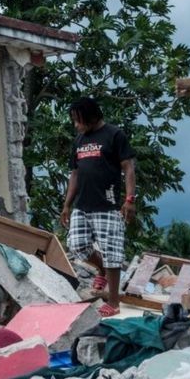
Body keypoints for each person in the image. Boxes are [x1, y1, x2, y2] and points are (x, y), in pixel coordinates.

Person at [60, 98, 136, 317]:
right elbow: (75, 174)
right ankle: (101, 269)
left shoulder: (114, 135)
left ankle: (113, 302)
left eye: (78, 120)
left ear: (92, 116)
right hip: (82, 205)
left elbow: (128, 167)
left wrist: (130, 199)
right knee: (77, 245)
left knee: (112, 252)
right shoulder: (79, 140)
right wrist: (67, 205)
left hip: (107, 205)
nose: (76, 125)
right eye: (74, 121)